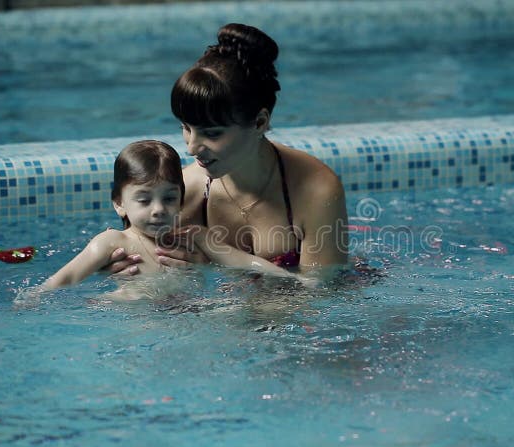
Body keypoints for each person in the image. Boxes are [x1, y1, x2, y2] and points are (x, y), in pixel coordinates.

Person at [105, 23, 348, 278]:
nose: (191, 148)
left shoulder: (315, 190)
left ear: (259, 123)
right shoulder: (179, 192)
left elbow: (321, 293)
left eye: (212, 133)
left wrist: (216, 260)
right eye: (186, 128)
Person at [41, 139, 293, 293]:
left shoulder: (195, 237)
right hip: (134, 316)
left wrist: (291, 278)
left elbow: (243, 262)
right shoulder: (113, 243)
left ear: (181, 201)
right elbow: (66, 278)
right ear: (119, 204)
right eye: (144, 200)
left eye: (169, 198)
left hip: (188, 313)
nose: (159, 209)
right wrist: (33, 299)